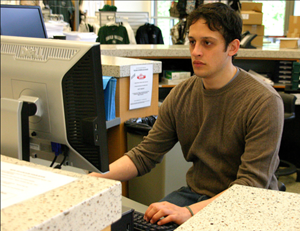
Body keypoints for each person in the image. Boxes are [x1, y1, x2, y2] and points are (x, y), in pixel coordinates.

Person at [90, 2, 284, 226]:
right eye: (192, 42)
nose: (196, 52)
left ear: (232, 47)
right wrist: (93, 178)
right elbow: (145, 155)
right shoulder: (182, 94)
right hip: (195, 195)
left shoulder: (263, 101)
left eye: (207, 43)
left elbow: (251, 186)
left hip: (249, 204)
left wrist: (190, 213)